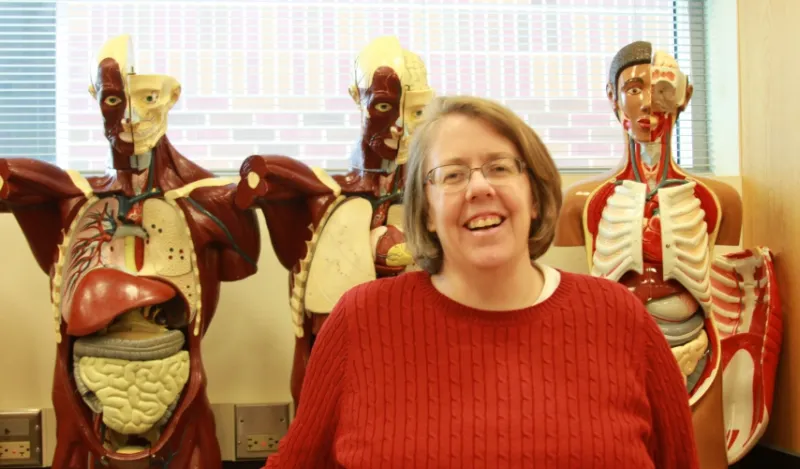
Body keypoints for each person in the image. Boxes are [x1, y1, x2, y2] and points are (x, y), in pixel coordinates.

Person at [262, 95, 700, 468]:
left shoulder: (619, 317)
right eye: (451, 175)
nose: (478, 188)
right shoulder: (361, 320)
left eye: (499, 168)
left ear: (534, 194)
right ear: (427, 213)